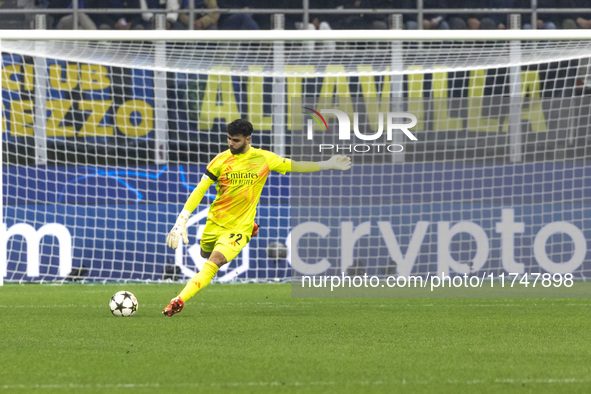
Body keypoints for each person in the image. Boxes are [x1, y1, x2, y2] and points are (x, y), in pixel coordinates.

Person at [162, 119, 352, 316]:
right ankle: (245, 229)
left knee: (215, 261)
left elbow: (295, 166)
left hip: (238, 228)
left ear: (248, 139)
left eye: (235, 140)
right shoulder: (219, 161)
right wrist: (182, 219)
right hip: (215, 222)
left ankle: (179, 300)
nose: (230, 143)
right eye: (228, 139)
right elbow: (200, 190)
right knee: (204, 254)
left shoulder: (264, 158)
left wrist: (327, 164)